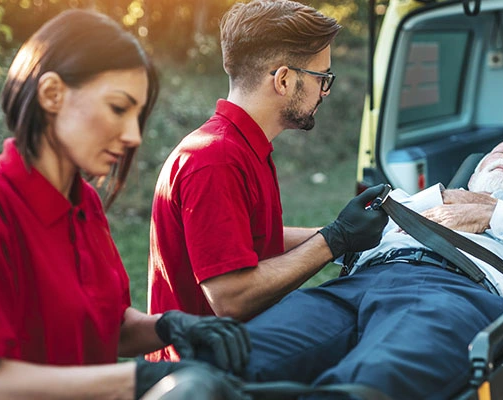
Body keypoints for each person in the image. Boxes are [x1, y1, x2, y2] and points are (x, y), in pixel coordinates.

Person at [0, 9, 251, 400]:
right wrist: (137, 381)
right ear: (52, 94)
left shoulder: (86, 207)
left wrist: (172, 325)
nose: (133, 135)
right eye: (119, 108)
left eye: (139, 116)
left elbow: (110, 328)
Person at [242, 139, 503, 399]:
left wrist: (495, 216)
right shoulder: (411, 201)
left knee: (372, 379)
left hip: (453, 293)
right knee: (242, 352)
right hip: (357, 285)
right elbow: (333, 236)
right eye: (500, 153)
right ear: (477, 169)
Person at [147, 0, 389, 361]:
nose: (325, 91)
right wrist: (333, 239)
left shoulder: (241, 146)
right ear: (284, 79)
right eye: (322, 78)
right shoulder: (215, 159)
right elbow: (231, 296)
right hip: (204, 372)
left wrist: (354, 235)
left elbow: (252, 242)